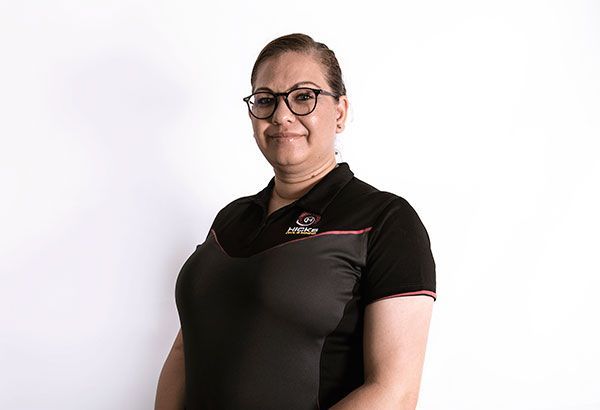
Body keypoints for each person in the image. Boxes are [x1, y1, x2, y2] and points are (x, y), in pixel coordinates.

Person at [155, 33, 436, 410]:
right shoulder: (229, 220)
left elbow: (394, 393)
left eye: (303, 97)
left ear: (339, 111)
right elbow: (185, 347)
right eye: (266, 100)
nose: (281, 115)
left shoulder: (386, 220)